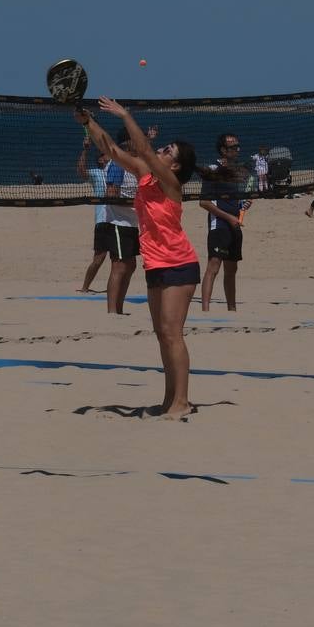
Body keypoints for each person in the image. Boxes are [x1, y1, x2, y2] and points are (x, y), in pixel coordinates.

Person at [75, 98, 217, 418]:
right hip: (155, 265)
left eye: (169, 152)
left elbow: (145, 151)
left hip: (179, 264)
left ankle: (181, 401)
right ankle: (170, 400)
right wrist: (88, 122)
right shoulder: (144, 175)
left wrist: (125, 115)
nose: (163, 152)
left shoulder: (171, 183)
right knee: (162, 336)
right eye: (165, 148)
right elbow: (110, 149)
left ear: (176, 166)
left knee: (172, 334)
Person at [200, 132, 252, 311]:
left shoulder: (236, 170)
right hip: (220, 226)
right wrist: (229, 217)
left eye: (237, 146)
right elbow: (204, 202)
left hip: (235, 225)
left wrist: (243, 205)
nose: (237, 149)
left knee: (231, 270)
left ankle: (232, 309)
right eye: (232, 147)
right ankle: (205, 310)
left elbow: (232, 199)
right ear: (223, 150)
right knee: (213, 267)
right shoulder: (212, 170)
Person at [101, 130, 141, 314]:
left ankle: (119, 308)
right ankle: (111, 311)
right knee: (119, 266)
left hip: (131, 223)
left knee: (130, 265)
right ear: (127, 143)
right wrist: (137, 203)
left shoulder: (134, 164)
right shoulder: (118, 165)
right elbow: (110, 196)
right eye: (136, 139)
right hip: (118, 222)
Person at [76, 137, 113, 293]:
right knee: (99, 258)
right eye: (105, 155)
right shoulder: (97, 173)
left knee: (120, 260)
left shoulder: (118, 171)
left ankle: (113, 288)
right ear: (100, 159)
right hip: (103, 220)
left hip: (119, 219)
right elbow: (81, 172)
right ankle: (85, 287)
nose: (108, 156)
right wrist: (85, 149)